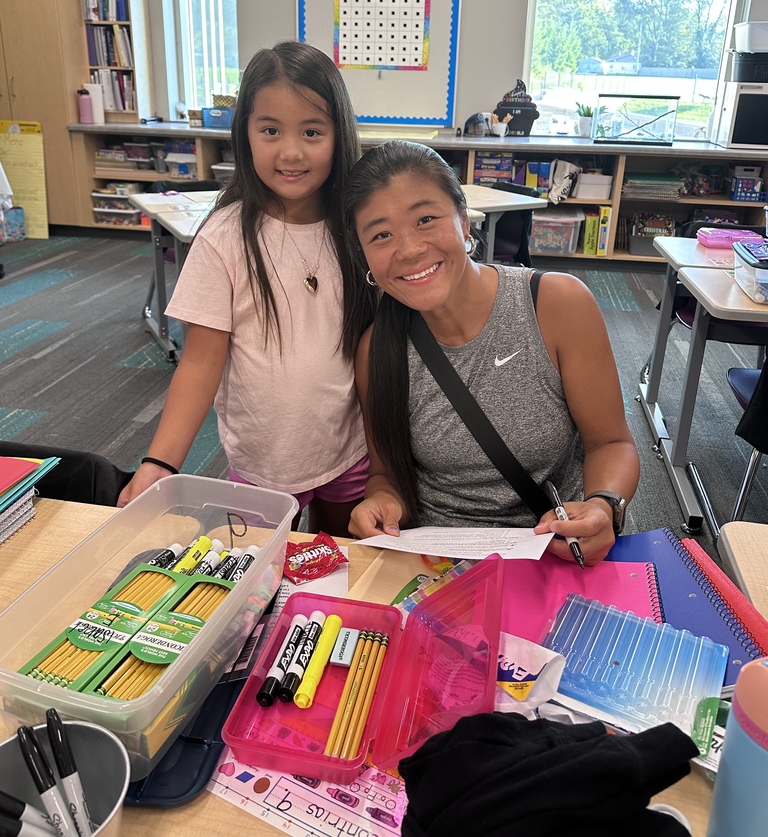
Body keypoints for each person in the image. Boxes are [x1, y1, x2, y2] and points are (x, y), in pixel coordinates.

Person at [118, 41, 378, 534]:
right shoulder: (226, 237)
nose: (292, 151)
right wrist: (162, 462)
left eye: (312, 131)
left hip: (350, 449)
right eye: (270, 130)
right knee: (258, 578)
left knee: (342, 562)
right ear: (245, 135)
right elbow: (200, 362)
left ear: (339, 134)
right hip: (264, 460)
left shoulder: (357, 224)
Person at [342, 140, 640, 564]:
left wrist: (602, 506)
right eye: (381, 234)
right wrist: (383, 502)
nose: (408, 250)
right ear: (365, 254)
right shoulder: (378, 349)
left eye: (426, 219)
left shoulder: (556, 305)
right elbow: (386, 473)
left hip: (552, 549)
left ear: (464, 221)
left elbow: (611, 442)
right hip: (435, 560)